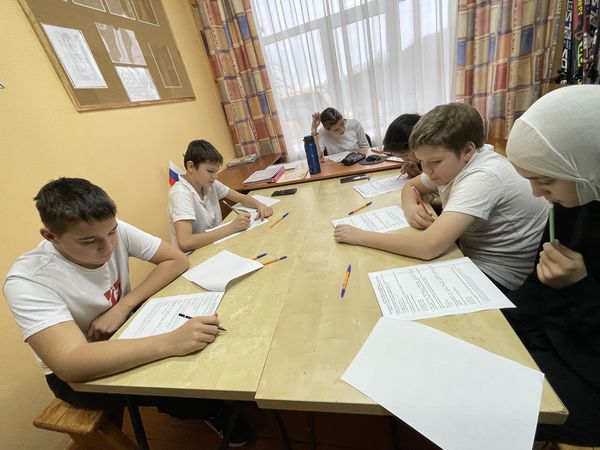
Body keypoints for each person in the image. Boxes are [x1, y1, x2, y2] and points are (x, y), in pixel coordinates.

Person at [3, 178, 251, 446]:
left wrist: (124, 306)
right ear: (50, 236)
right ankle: (210, 409)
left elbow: (177, 259)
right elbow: (70, 364)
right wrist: (171, 342)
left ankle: (212, 400)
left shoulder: (109, 229)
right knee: (177, 374)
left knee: (205, 339)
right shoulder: (27, 280)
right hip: (79, 370)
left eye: (112, 233)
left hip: (128, 326)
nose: (108, 247)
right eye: (89, 241)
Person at [334, 102, 549, 292]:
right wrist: (411, 207)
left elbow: (428, 247)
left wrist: (359, 236)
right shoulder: (455, 163)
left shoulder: (484, 176)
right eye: (421, 161)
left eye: (435, 162)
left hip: (500, 277)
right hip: (471, 256)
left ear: (467, 150)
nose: (427, 170)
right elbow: (411, 186)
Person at [503, 85, 600, 446]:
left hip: (588, 367)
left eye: (544, 180)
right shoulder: (576, 198)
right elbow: (539, 280)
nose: (536, 194)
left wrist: (581, 286)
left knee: (490, 402)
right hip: (556, 334)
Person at [168, 140, 273, 252]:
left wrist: (260, 205)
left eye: (216, 171)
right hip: (195, 254)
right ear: (191, 167)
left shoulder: (208, 183)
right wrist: (232, 227)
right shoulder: (181, 193)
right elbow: (185, 242)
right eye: (210, 171)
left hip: (215, 244)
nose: (215, 176)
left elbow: (241, 198)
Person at [383, 113, 422, 178]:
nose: (405, 161)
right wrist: (417, 174)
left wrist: (420, 177)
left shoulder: (433, 161)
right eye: (400, 157)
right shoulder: (420, 163)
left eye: (405, 155)